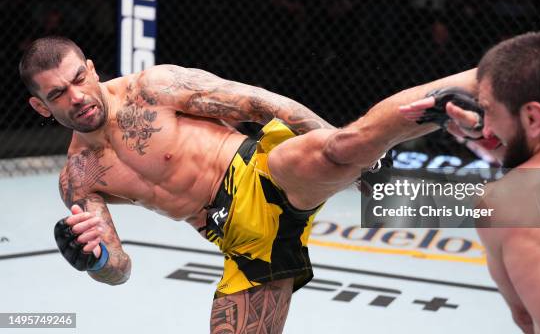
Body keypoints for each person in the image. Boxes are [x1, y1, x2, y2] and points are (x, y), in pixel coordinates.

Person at [20, 36, 477, 333]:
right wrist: (94, 257)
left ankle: (478, 81)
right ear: (41, 107)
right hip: (244, 244)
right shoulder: (78, 179)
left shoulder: (154, 88)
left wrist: (353, 158)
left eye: (78, 79)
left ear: (92, 69)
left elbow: (262, 104)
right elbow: (119, 270)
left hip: (260, 171)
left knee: (344, 146)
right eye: (58, 94)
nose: (76, 96)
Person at [401, 32, 540, 334]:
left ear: (532, 117)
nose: (485, 127)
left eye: (488, 111)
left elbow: (526, 319)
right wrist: (507, 150)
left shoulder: (502, 205)